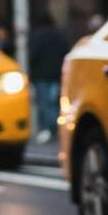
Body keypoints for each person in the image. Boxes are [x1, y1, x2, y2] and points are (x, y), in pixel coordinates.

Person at [29, 12, 70, 144]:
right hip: (56, 75)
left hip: (41, 76)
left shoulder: (38, 36)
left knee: (45, 104)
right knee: (53, 103)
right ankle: (55, 129)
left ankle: (50, 130)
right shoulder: (59, 36)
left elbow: (33, 54)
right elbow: (66, 52)